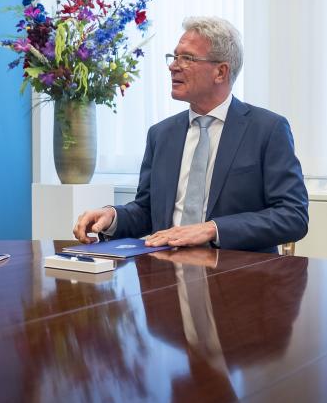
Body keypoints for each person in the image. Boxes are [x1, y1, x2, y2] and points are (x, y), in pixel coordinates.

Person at [73, 17, 309, 252]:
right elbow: (147, 211)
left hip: (237, 274)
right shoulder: (161, 134)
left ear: (221, 72)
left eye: (187, 58)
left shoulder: (267, 129)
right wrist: (112, 216)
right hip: (166, 272)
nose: (173, 66)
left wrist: (212, 229)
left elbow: (293, 215)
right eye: (174, 57)